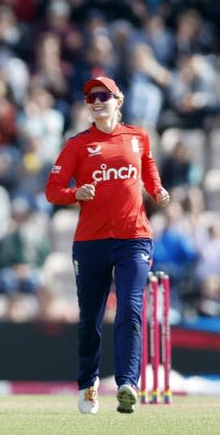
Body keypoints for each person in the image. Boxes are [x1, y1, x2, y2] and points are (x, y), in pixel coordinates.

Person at [44, 76, 171, 415]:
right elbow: (53, 188)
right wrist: (76, 193)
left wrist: (156, 190)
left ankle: (128, 382)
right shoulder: (77, 144)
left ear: (119, 100)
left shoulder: (137, 136)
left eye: (104, 95)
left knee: (130, 308)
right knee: (91, 319)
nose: (96, 101)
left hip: (133, 237)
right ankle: (88, 385)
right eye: (90, 97)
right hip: (92, 241)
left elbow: (148, 167)